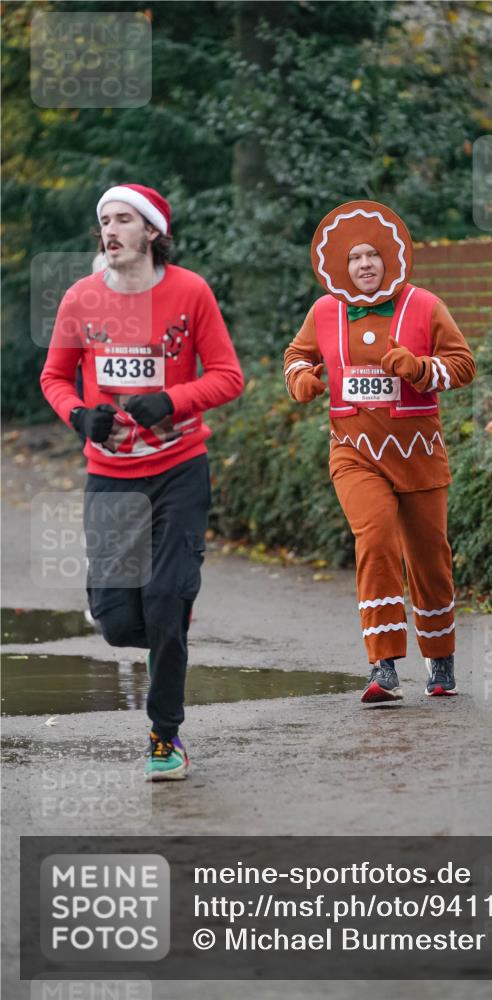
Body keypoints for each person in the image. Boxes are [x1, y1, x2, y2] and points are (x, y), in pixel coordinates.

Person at [41, 183, 244, 778]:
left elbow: (229, 376)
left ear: (152, 232)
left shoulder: (190, 291)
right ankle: (165, 620)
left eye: (124, 219)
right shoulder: (80, 298)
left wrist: (174, 400)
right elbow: (54, 378)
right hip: (111, 475)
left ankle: (165, 736)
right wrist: (79, 414)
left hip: (180, 469)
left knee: (164, 599)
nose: (111, 230)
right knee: (119, 623)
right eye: (104, 220)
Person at [283, 200, 475, 704]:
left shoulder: (426, 306)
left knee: (429, 558)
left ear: (389, 259)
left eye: (372, 255)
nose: (364, 264)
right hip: (354, 450)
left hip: (418, 451)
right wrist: (301, 379)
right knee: (375, 538)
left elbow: (462, 365)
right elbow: (296, 355)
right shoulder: (324, 310)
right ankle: (384, 663)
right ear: (341, 266)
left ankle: (441, 658)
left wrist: (418, 369)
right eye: (354, 258)